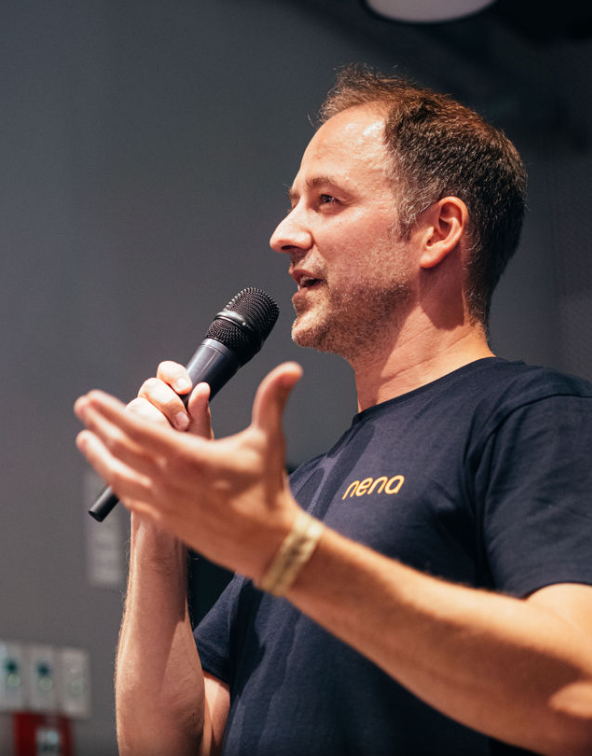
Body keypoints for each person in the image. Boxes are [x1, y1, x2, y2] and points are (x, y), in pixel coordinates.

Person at [75, 66, 592, 756]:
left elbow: (577, 696)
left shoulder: (536, 419)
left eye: (327, 200)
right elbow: (166, 745)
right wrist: (158, 514)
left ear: (438, 230)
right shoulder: (307, 488)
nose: (284, 234)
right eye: (295, 203)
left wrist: (291, 554)